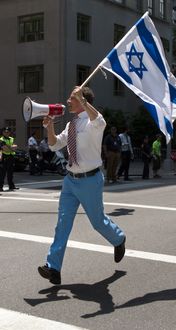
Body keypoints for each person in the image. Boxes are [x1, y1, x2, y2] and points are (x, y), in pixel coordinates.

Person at [38, 86, 126, 285]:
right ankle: (53, 268)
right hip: (70, 180)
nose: (68, 101)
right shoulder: (71, 124)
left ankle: (119, 239)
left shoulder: (94, 122)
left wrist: (84, 102)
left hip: (90, 181)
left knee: (97, 222)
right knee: (62, 224)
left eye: (72, 98)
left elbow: (100, 120)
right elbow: (54, 145)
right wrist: (49, 127)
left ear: (82, 100)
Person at [0, 127, 18, 191]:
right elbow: (5, 149)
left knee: (10, 173)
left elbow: (15, 147)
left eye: (8, 132)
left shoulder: (11, 139)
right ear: (3, 132)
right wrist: (11, 148)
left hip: (11, 157)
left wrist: (8, 147)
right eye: (5, 132)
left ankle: (11, 186)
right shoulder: (1, 139)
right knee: (2, 173)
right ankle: (0, 187)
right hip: (4, 157)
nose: (6, 133)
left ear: (9, 132)